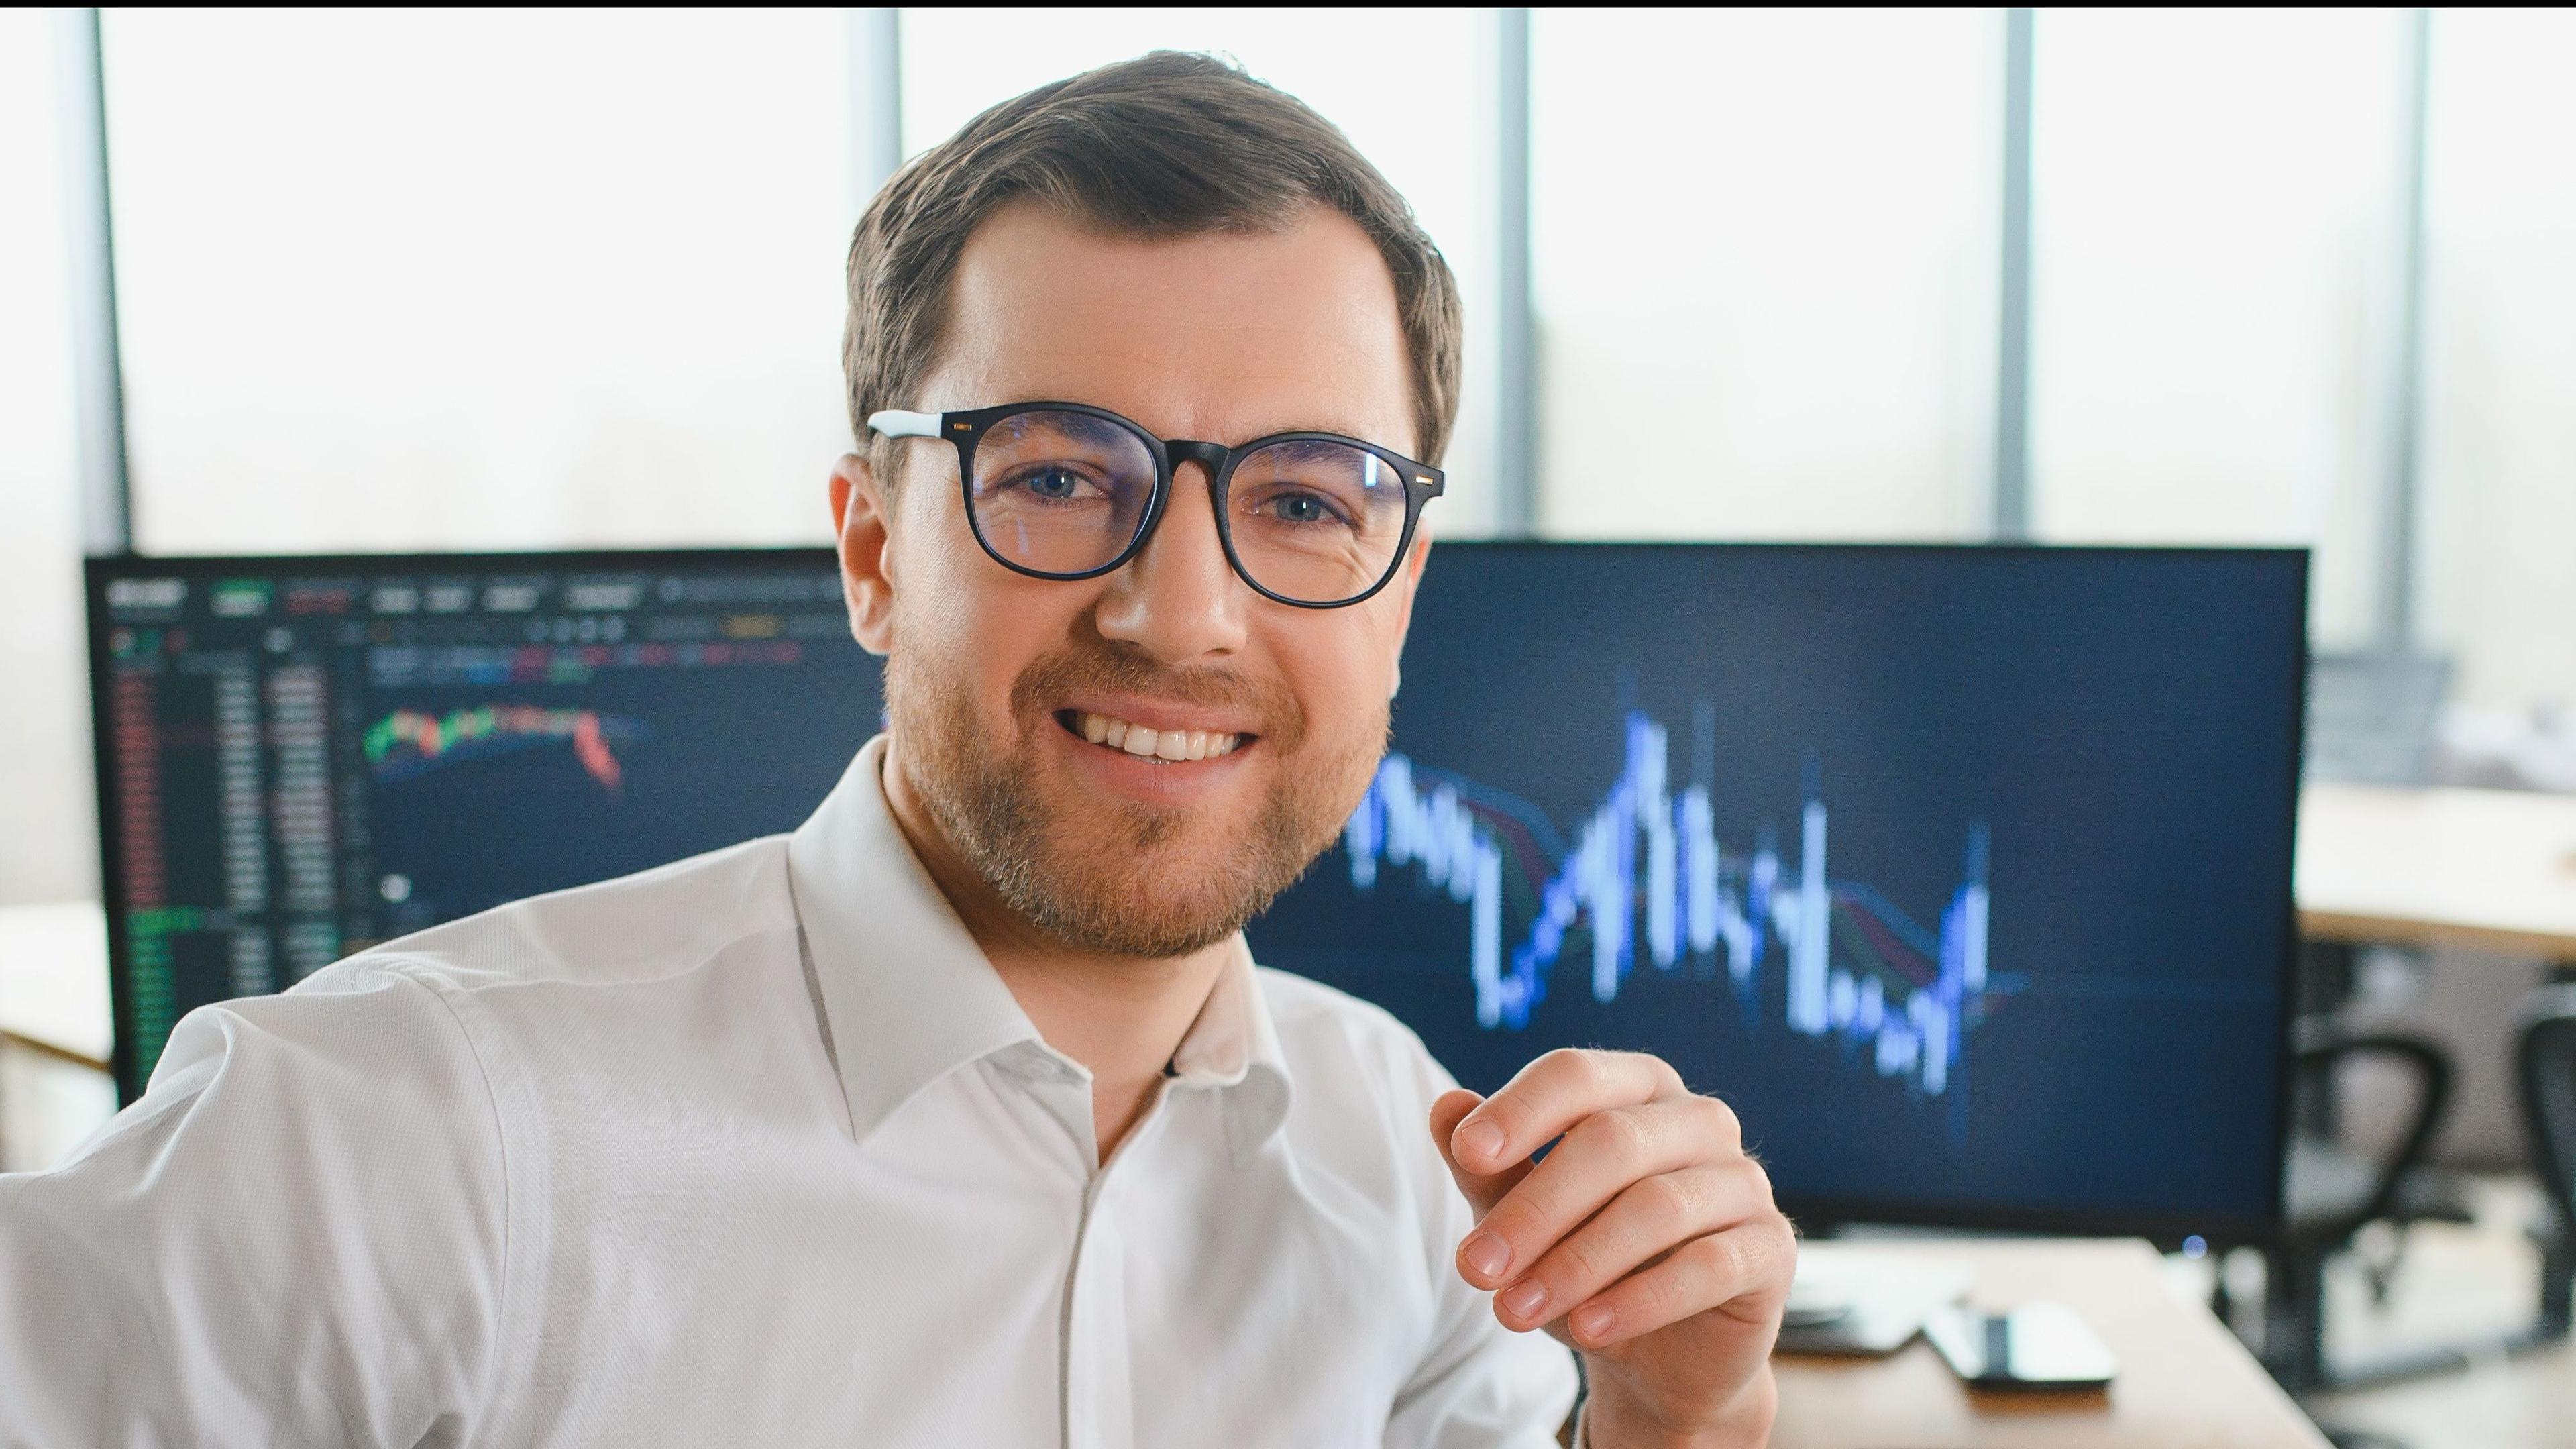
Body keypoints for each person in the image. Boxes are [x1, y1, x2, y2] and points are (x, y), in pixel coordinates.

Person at [0, 52, 1790, 1447]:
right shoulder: (400, 1134)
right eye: (1061, 478)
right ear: (873, 551)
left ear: (1398, 599)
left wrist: (1678, 1417)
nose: (1183, 613)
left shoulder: (1416, 1173)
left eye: (1308, 501)